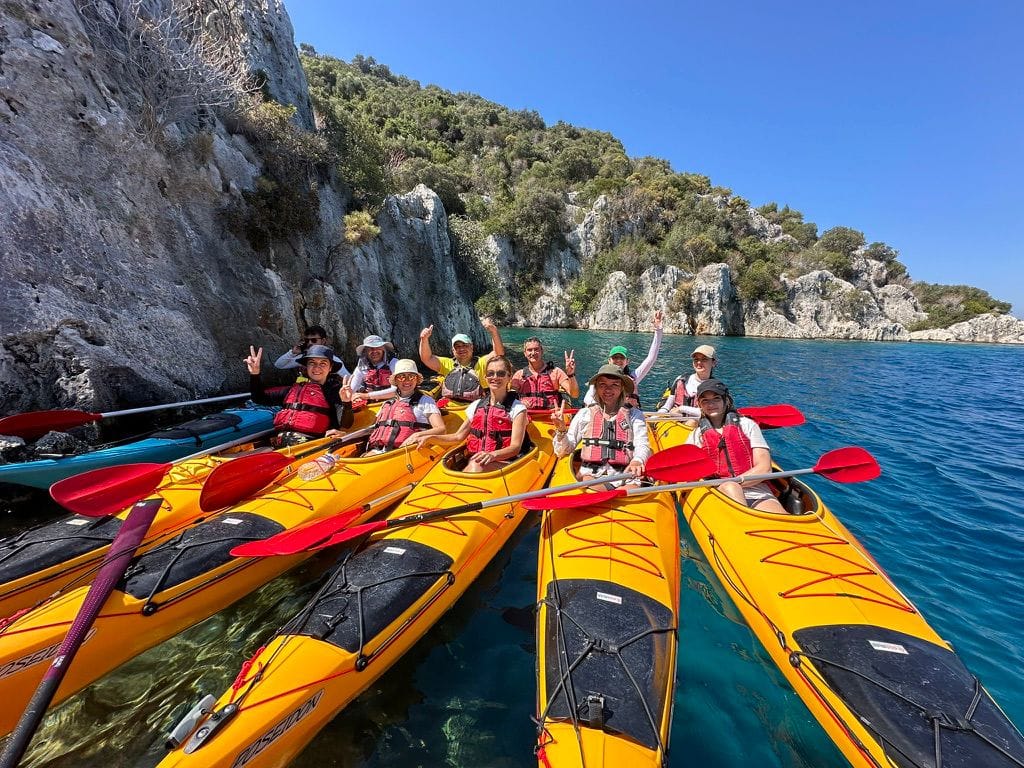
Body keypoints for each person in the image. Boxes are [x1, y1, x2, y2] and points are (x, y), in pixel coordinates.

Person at [685, 378, 785, 512]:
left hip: (757, 490)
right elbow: (688, 470)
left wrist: (735, 482)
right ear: (699, 405)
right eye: (705, 401)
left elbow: (764, 468)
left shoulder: (747, 425)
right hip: (719, 491)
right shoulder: (696, 435)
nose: (711, 404)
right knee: (730, 487)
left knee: (780, 516)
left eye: (716, 398)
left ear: (726, 400)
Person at [552, 364, 650, 482]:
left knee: (630, 486)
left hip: (626, 476)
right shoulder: (584, 414)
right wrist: (561, 430)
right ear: (596, 388)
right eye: (602, 384)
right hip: (592, 477)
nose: (608, 389)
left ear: (622, 388)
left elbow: (642, 444)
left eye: (614, 385)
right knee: (588, 480)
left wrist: (637, 460)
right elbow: (563, 451)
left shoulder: (634, 416)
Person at [430, 356, 529, 473]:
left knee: (476, 465)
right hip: (476, 461)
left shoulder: (517, 408)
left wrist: (493, 455)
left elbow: (515, 447)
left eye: (501, 373)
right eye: (490, 373)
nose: (495, 377)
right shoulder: (476, 405)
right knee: (473, 464)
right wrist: (430, 438)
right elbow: (458, 437)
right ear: (485, 377)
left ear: (509, 377)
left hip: (505, 463)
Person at [247, 344, 351, 447]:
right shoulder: (291, 390)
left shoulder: (334, 391)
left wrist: (346, 403)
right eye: (312, 363)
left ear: (330, 368)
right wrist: (255, 375)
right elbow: (258, 398)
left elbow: (346, 424)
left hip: (310, 446)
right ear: (306, 366)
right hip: (280, 444)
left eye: (323, 363)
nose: (317, 367)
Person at [340, 359, 447, 454]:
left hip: (408, 452)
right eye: (401, 377)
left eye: (411, 376)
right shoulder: (387, 404)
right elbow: (372, 429)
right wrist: (345, 434)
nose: (407, 380)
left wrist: (417, 436)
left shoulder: (426, 401)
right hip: (378, 452)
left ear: (416, 380)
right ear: (395, 381)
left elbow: (441, 429)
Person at [583, 310, 664, 409]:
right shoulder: (601, 378)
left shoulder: (633, 377)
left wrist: (658, 330)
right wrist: (596, 408)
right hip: (604, 412)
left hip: (626, 414)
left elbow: (651, 358)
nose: (618, 360)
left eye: (621, 358)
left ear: (627, 361)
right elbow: (588, 398)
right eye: (615, 357)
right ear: (609, 360)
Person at [418, 317, 505, 402]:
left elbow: (498, 353)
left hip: (476, 405)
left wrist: (494, 332)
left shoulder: (481, 362)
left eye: (465, 345)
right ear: (453, 350)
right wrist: (424, 339)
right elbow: (427, 358)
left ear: (471, 347)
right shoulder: (446, 363)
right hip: (450, 406)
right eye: (457, 347)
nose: (461, 349)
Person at [510, 337, 578, 409]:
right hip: (526, 414)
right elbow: (511, 396)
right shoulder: (519, 375)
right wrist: (520, 402)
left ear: (542, 351)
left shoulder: (556, 372)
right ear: (525, 353)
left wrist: (571, 374)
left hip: (551, 414)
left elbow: (574, 394)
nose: (533, 353)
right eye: (529, 350)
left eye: (536, 349)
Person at [657, 343, 718, 416]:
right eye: (696, 359)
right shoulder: (681, 380)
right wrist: (656, 416)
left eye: (704, 359)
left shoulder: (716, 387)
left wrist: (681, 409)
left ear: (713, 363)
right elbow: (667, 406)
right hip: (675, 420)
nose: (699, 362)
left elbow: (712, 412)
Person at [275, 325, 350, 377]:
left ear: (323, 341)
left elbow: (348, 378)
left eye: (314, 340)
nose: (310, 343)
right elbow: (279, 365)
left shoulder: (333, 360)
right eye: (307, 340)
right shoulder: (303, 358)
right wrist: (292, 353)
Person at [349, 334, 399, 403]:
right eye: (370, 348)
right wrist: (352, 396)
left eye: (378, 347)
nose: (374, 351)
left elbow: (396, 390)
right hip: (371, 403)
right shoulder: (361, 367)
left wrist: (367, 395)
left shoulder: (394, 363)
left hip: (393, 401)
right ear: (365, 351)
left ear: (383, 349)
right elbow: (352, 390)